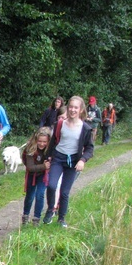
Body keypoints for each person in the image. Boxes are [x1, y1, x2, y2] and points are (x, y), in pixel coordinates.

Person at [43, 96, 94, 228]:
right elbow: (53, 142)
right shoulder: (60, 124)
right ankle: (50, 210)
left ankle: (61, 219)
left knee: (65, 192)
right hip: (58, 158)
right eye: (71, 107)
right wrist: (47, 158)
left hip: (73, 161)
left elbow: (90, 148)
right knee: (52, 186)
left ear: (81, 109)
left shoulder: (85, 128)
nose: (72, 110)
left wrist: (83, 160)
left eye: (76, 107)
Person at [21, 127, 51, 226]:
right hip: (31, 174)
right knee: (30, 196)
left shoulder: (51, 150)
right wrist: (43, 166)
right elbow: (30, 167)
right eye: (40, 141)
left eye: (44, 142)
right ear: (36, 140)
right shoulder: (30, 148)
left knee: (40, 194)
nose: (42, 144)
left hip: (43, 175)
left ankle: (36, 219)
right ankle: (25, 217)